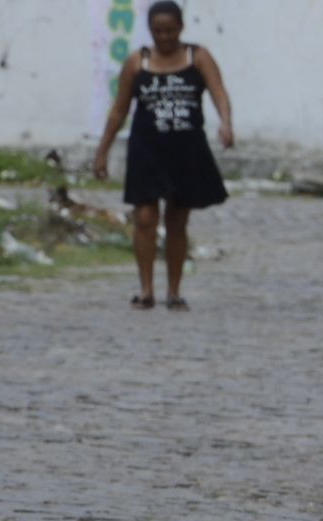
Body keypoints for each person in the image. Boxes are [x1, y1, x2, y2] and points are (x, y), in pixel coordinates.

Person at [92, 0, 232, 311]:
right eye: (158, 31)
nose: (164, 37)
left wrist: (225, 123)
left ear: (181, 28)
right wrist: (102, 151)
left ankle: (174, 290)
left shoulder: (199, 57)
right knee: (144, 218)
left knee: (177, 220)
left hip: (187, 151)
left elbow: (219, 92)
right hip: (147, 151)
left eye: (170, 31)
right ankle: (145, 289)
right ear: (150, 31)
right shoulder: (136, 63)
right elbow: (118, 111)